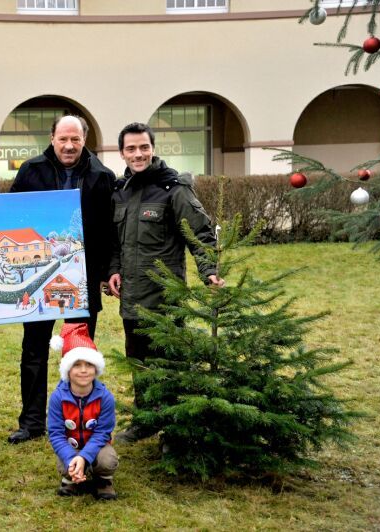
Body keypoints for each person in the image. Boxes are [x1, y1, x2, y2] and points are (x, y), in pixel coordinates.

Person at [107, 122, 224, 443]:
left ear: (153, 148)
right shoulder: (121, 191)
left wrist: (209, 270)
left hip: (164, 297)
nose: (138, 154)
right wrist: (113, 269)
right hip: (131, 297)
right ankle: (145, 420)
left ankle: (172, 430)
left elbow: (199, 234)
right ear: (122, 153)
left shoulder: (174, 188)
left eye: (143, 147)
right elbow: (114, 242)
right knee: (139, 362)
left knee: (169, 363)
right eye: (131, 149)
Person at [7, 115, 115, 444]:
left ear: (85, 140)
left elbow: (111, 230)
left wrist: (106, 270)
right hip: (39, 279)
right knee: (34, 351)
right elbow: (12, 216)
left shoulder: (102, 176)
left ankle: (80, 421)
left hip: (82, 279)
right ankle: (32, 421)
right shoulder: (30, 171)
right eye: (63, 139)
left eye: (76, 140)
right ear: (52, 138)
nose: (69, 146)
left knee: (79, 352)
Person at [47, 323, 118, 500]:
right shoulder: (57, 398)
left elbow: (103, 433)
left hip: (97, 446)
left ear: (96, 368)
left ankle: (103, 479)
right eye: (77, 365)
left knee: (107, 460)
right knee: (65, 466)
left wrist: (84, 457)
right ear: (67, 370)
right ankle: (71, 477)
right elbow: (55, 434)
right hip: (71, 448)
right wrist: (72, 459)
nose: (84, 370)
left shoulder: (105, 398)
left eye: (89, 364)